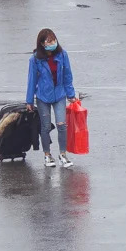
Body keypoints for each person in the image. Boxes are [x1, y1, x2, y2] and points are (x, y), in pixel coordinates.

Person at [24, 28, 78, 168]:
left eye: (54, 40)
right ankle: (47, 155)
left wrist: (71, 94)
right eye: (49, 41)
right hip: (43, 96)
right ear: (42, 43)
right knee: (46, 126)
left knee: (62, 125)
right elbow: (32, 80)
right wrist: (29, 100)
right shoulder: (35, 59)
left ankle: (63, 155)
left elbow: (67, 75)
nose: (53, 43)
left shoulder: (62, 55)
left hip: (59, 95)